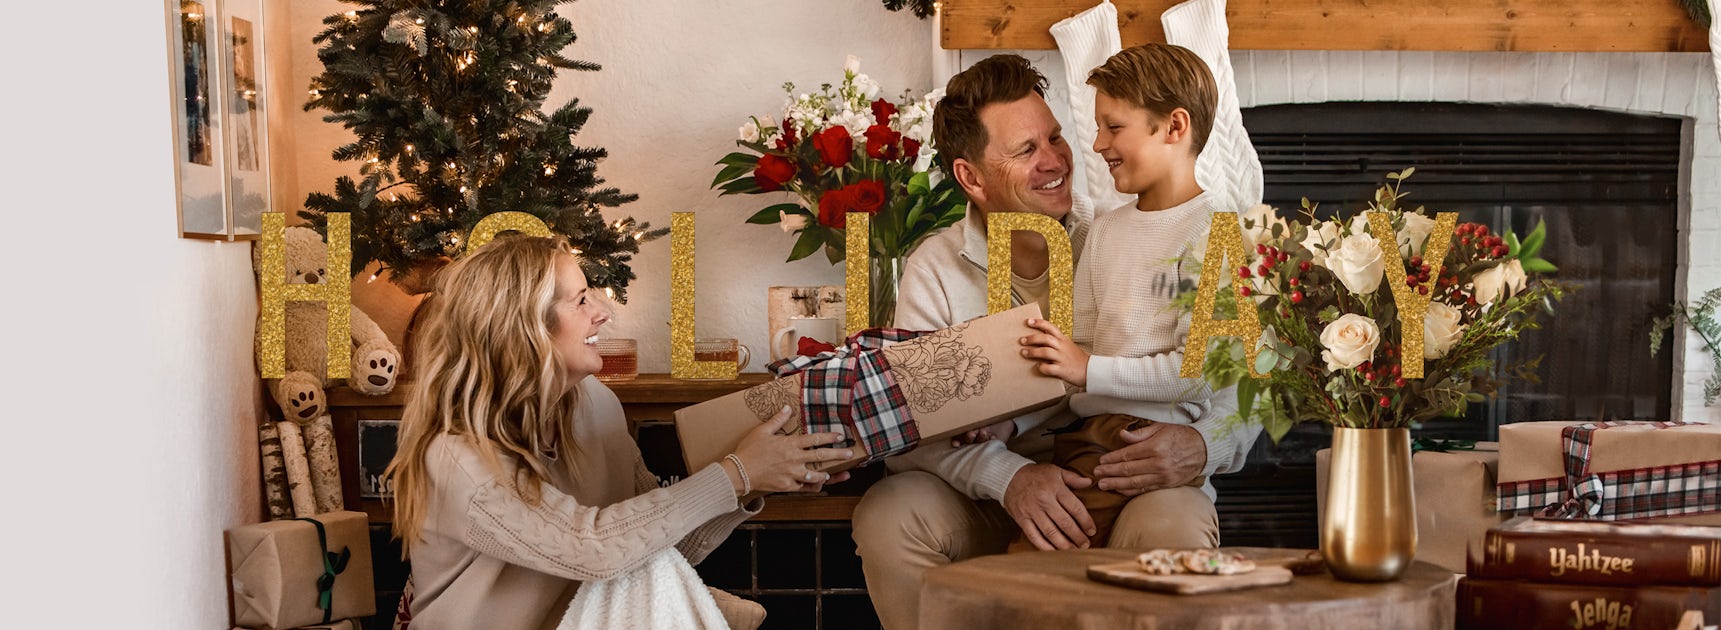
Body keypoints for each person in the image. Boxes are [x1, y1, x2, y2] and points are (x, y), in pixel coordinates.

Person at [850, 53, 1254, 630]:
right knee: (891, 511)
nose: (1057, 160)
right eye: (1026, 150)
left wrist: (1203, 445)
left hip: (1123, 474)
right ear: (971, 178)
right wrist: (1007, 476)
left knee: (1177, 521)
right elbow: (911, 428)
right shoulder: (933, 270)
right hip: (992, 494)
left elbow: (1248, 379)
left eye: (1056, 137)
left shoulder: (1123, 233)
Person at [384, 235, 852, 630]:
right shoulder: (456, 456)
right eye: (580, 300)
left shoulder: (596, 406)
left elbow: (660, 547)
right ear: (523, 326)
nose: (603, 312)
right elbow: (593, 547)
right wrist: (736, 474)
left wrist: (764, 475)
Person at [1018, 42, 1254, 548]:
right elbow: (1073, 363)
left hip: (1149, 439)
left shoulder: (1216, 233)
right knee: (1041, 562)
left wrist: (1089, 369)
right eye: (1098, 127)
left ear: (1174, 127)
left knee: (1045, 562)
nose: (1097, 143)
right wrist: (1007, 424)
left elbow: (1196, 377)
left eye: (1114, 126)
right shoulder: (1106, 231)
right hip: (1085, 440)